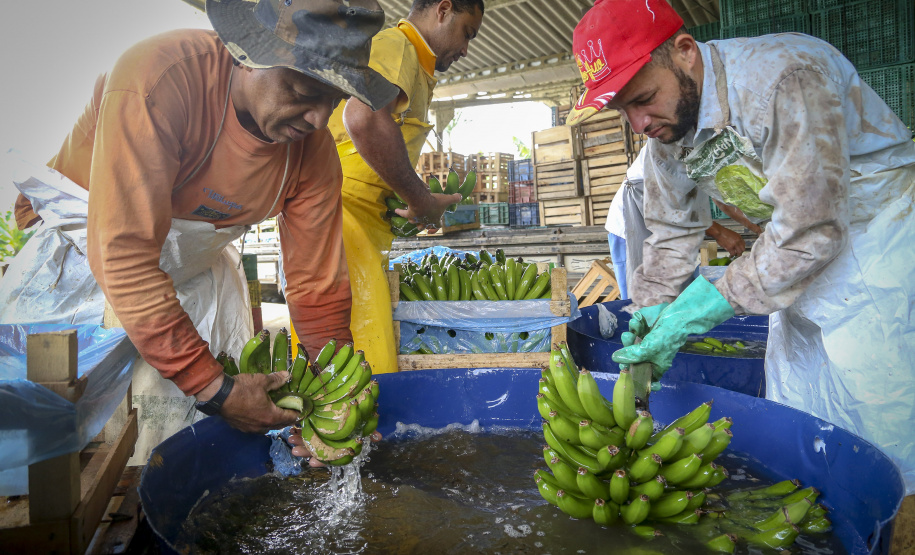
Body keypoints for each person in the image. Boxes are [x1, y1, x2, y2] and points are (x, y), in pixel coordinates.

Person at [1, 0, 398, 463]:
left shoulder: (313, 153)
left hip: (194, 279)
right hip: (80, 272)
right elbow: (124, 253)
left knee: (167, 453)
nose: (318, 119)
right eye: (304, 90)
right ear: (248, 54)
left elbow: (317, 286)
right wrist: (214, 388)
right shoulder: (158, 78)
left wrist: (336, 403)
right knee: (48, 454)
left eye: (334, 100)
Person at [570, 0, 915, 501]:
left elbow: (812, 226)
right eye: (622, 110)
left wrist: (709, 302)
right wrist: (652, 309)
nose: (638, 122)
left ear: (685, 51)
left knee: (883, 415)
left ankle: (900, 524)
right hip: (789, 260)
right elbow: (671, 231)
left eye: (643, 98)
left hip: (878, 241)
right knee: (801, 400)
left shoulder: (784, 77)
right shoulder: (666, 136)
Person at [302, 0, 484, 376]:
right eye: (467, 33)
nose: (466, 49)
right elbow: (363, 117)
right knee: (362, 364)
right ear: (443, 9)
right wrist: (419, 199)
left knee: (351, 363)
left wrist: (407, 199)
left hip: (360, 226)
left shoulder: (416, 66)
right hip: (342, 220)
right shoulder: (397, 45)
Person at [605, 148, 758, 299]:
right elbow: (667, 203)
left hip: (668, 227)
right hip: (633, 222)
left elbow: (720, 197)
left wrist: (760, 230)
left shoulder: (714, 149)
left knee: (675, 293)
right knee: (643, 297)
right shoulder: (670, 145)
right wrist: (719, 233)